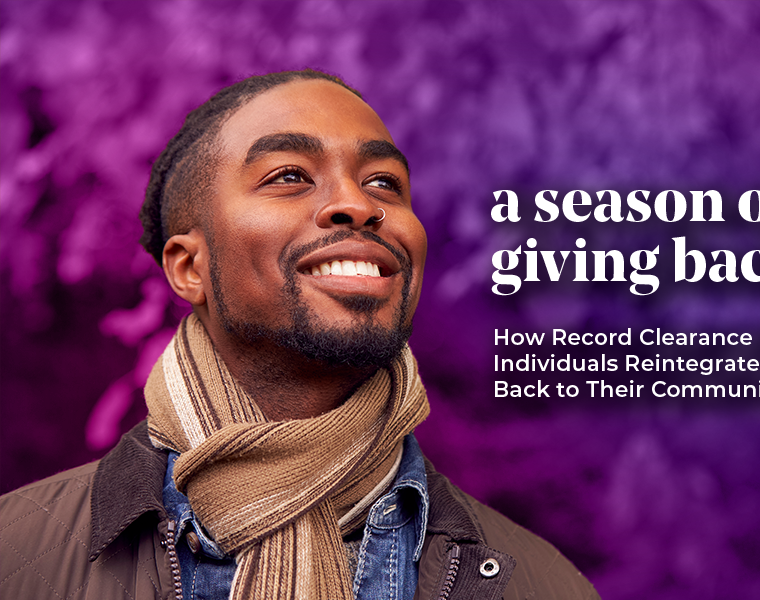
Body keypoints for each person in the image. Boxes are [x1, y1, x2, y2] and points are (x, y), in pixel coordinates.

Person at [0, 70, 599, 600]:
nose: (358, 205)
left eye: (385, 183)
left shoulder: (545, 585)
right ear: (189, 268)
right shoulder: (16, 554)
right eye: (289, 176)